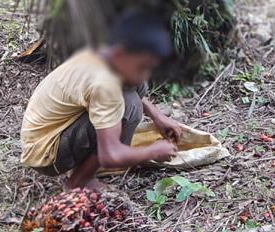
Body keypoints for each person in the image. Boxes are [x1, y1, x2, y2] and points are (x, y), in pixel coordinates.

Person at [20, 11, 182, 190]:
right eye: (142, 67)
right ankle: (79, 182)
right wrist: (151, 152)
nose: (144, 75)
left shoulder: (106, 56)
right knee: (130, 106)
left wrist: (157, 116)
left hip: (47, 133)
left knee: (133, 91)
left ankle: (85, 167)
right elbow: (110, 155)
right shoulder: (104, 84)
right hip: (46, 153)